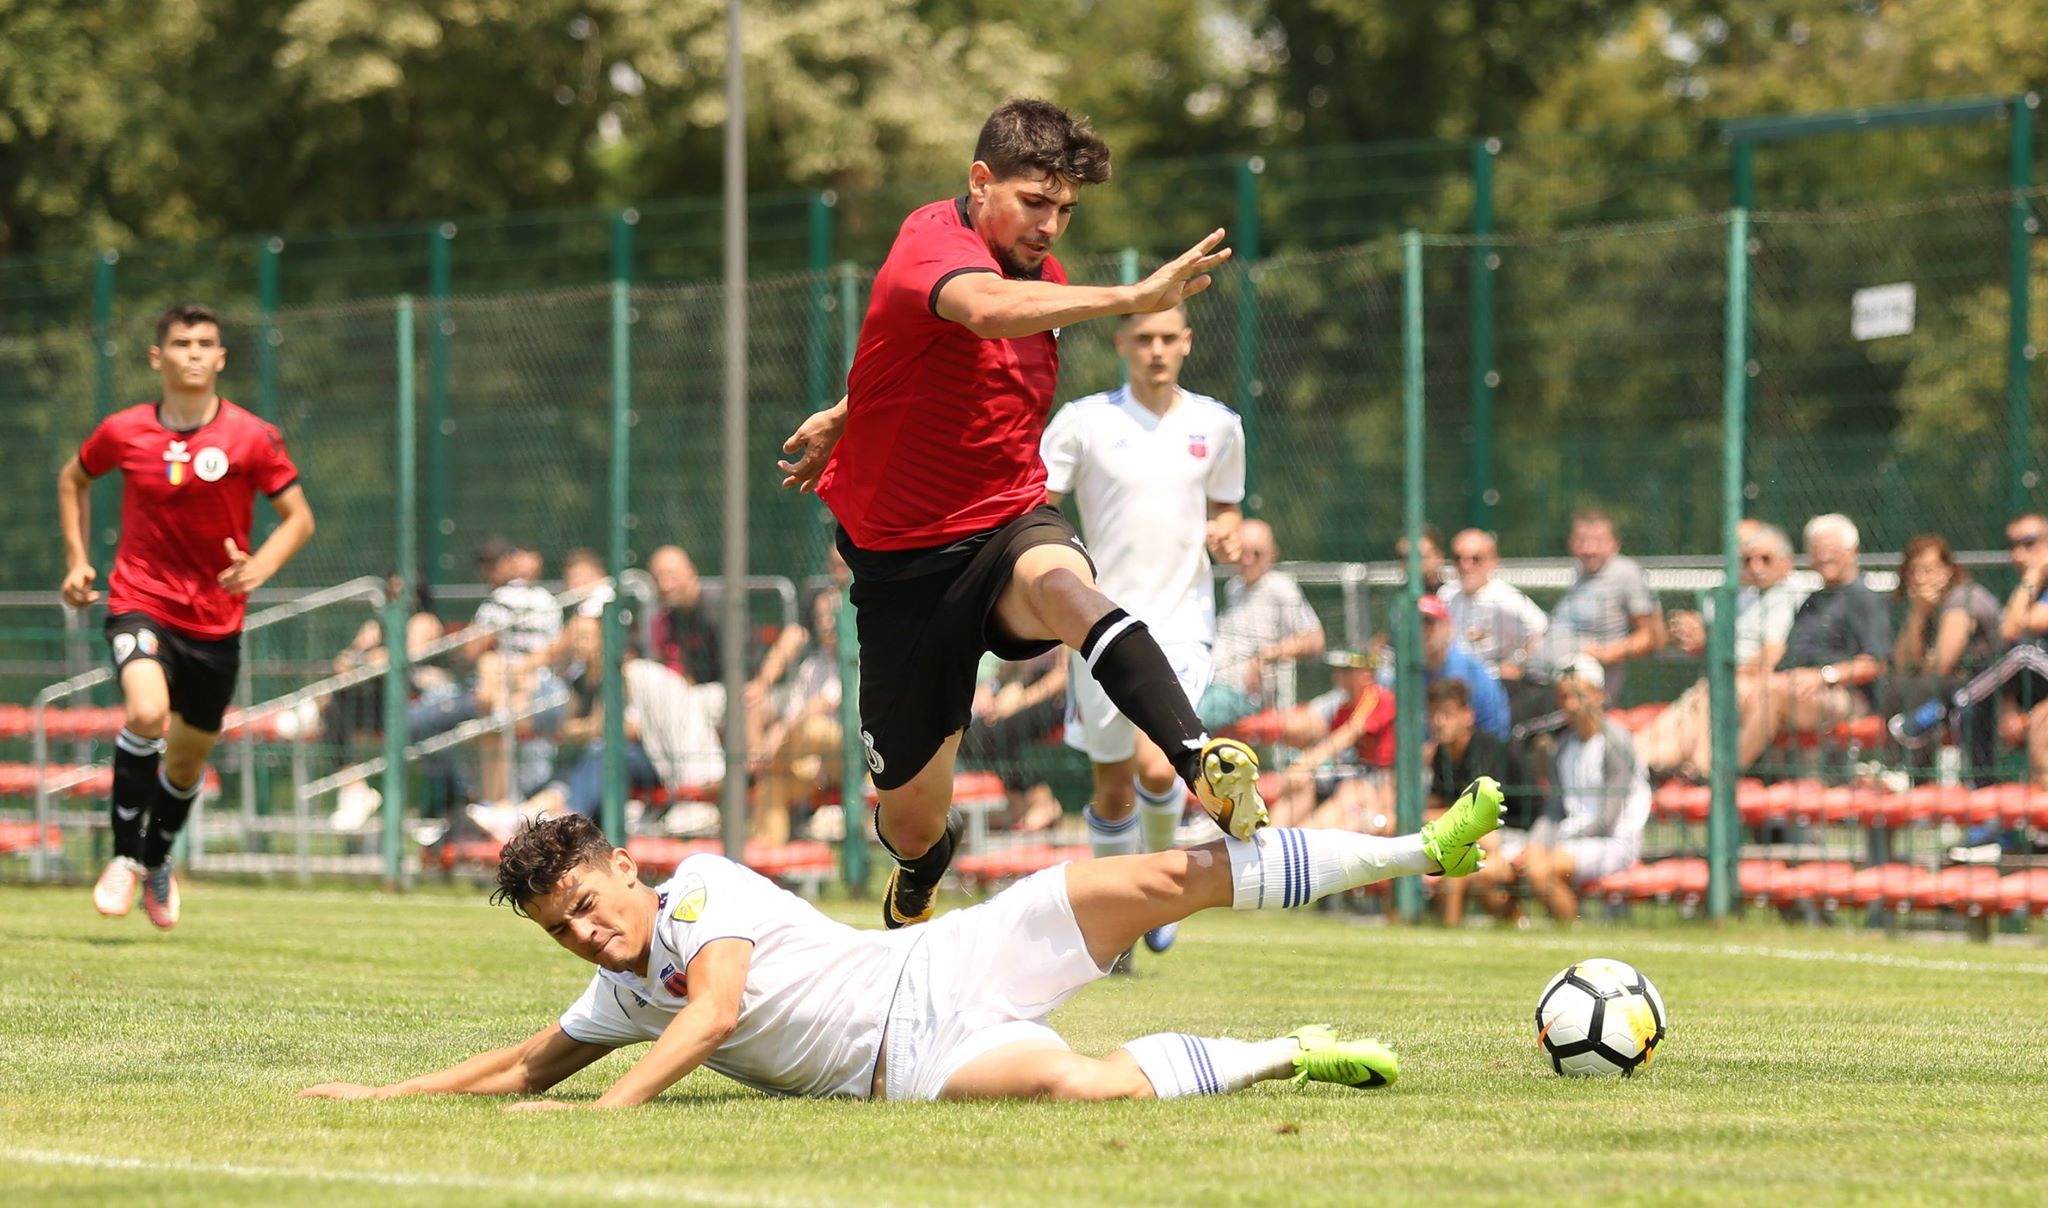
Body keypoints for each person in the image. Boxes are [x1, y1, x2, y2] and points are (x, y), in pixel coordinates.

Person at [775, 98, 1264, 929]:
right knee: (910, 818)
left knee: (1069, 588)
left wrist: (848, 410)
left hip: (1006, 523)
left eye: (1066, 209)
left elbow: (940, 365)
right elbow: (979, 311)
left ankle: (1198, 760)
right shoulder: (933, 241)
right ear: (980, 182)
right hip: (902, 567)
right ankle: (925, 863)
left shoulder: (1047, 280)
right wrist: (1134, 296)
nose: (1051, 226)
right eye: (1035, 202)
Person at [298, 782, 1505, 1108]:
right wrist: (383, 1095)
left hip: (947, 963)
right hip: (912, 1068)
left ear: (623, 865)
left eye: (585, 901)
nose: (585, 931)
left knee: (1158, 876)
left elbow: (714, 1012)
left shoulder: (703, 887)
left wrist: (607, 1113)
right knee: (1080, 1086)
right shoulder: (622, 993)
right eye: (561, 927)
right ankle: (1291, 1050)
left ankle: (1422, 847)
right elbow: (522, 1063)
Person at [59, 303, 316, 929]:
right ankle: (124, 857)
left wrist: (258, 568)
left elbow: (299, 519)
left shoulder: (252, 436)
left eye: (205, 343)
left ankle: (156, 858)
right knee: (146, 713)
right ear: (158, 356)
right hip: (139, 601)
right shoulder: (123, 430)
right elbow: (73, 479)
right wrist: (77, 560)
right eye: (181, 342)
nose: (194, 353)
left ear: (221, 357)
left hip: (215, 623)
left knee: (185, 762)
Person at [1040, 301, 1245, 960]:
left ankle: (1155, 896)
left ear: (1187, 342)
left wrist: (1228, 531)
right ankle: (1116, 920)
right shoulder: (1083, 423)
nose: (1156, 349)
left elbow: (1227, 507)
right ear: (1122, 343)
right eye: (1144, 338)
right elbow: (1038, 507)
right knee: (1112, 785)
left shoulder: (1219, 425)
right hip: (1099, 625)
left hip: (1183, 623)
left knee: (1161, 766)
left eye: (1168, 338)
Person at [1469, 658, 1649, 924]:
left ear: (1599, 696)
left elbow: (1606, 819)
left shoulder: (1616, 742)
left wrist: (1546, 847)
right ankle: (1521, 930)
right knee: (1481, 874)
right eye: (1564, 697)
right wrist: (1535, 845)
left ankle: (1575, 933)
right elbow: (1555, 809)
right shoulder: (1563, 747)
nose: (1571, 705)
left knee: (1538, 871)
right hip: (1568, 841)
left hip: (1612, 842)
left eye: (1579, 695)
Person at [1632, 523, 1804, 778]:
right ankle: (1641, 761)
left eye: (1766, 559)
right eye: (1746, 559)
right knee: (1697, 702)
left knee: (1712, 697)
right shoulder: (1740, 594)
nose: (1755, 567)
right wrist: (1694, 636)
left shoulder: (1790, 593)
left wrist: (1718, 659)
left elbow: (1771, 656)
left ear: (1787, 562)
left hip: (1755, 685)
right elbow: (1708, 648)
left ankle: (1694, 771)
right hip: (1724, 681)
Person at [1746, 513, 1891, 764]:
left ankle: (1720, 772)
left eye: (1831, 549)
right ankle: (1679, 765)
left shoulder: (1864, 598)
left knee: (1773, 692)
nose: (1823, 556)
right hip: (1796, 688)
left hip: (1845, 696)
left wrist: (1824, 676)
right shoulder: (1813, 601)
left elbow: (1876, 663)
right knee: (1732, 690)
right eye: (1816, 549)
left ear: (1853, 551)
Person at [1881, 534, 2000, 776]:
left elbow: (1941, 666)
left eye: (1929, 570)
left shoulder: (1963, 598)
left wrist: (1925, 664)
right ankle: (1900, 772)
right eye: (1913, 571)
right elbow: (1903, 664)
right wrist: (1917, 614)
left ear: (1947, 571)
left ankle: (1906, 772)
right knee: (1897, 686)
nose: (1920, 578)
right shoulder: (1926, 609)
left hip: (1988, 687)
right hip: (1953, 690)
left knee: (1923, 688)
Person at [1425, 678, 1537, 927]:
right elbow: (1435, 803)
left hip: (1518, 835)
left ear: (1468, 716)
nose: (1439, 721)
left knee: (1461, 871)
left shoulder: (1486, 749)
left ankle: (1511, 923)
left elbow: (1478, 817)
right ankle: (1513, 925)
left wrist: (1423, 817)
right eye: (1433, 714)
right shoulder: (1441, 754)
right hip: (1481, 836)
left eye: (1447, 714)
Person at [1525, 509, 1663, 705]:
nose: (1589, 549)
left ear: (1615, 543)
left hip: (1579, 696)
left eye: (1598, 541)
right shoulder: (1578, 573)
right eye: (1581, 540)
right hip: (1541, 680)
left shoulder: (1626, 573)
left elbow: (1651, 637)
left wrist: (1605, 653)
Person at [1200, 518, 1327, 729]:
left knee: (1191, 714)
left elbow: (1315, 640)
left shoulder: (1280, 587)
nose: (1248, 559)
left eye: (1257, 553)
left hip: (1243, 694)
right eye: (1243, 551)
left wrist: (1266, 655)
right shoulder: (1234, 587)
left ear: (1272, 554)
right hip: (1210, 681)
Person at [1269, 650, 1395, 831]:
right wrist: (1300, 769)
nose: (1339, 676)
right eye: (1338, 671)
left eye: (1347, 671)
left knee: (1349, 792)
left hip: (1386, 780)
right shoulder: (1344, 708)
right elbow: (1329, 741)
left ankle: (1299, 842)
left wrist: (1304, 763)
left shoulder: (1376, 697)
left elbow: (1348, 735)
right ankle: (1269, 838)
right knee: (1303, 782)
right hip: (1360, 774)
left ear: (1366, 674)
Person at [956, 648, 1069, 834]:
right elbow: (1011, 667)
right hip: (1022, 692)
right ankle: (1018, 805)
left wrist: (1021, 700)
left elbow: (1063, 675)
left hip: (1054, 700)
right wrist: (991, 690)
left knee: (998, 733)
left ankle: (1042, 802)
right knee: (972, 735)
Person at [1438, 528, 1548, 683]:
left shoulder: (1505, 598)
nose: (1465, 566)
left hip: (1494, 681)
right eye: (1458, 558)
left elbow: (1541, 629)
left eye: (1475, 559)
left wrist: (1518, 663)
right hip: (1453, 678)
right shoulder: (1446, 595)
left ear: (1492, 561)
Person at [647, 544, 722, 687]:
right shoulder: (672, 617)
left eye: (672, 576)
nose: (664, 585)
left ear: (691, 572)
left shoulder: (717, 610)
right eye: (657, 578)